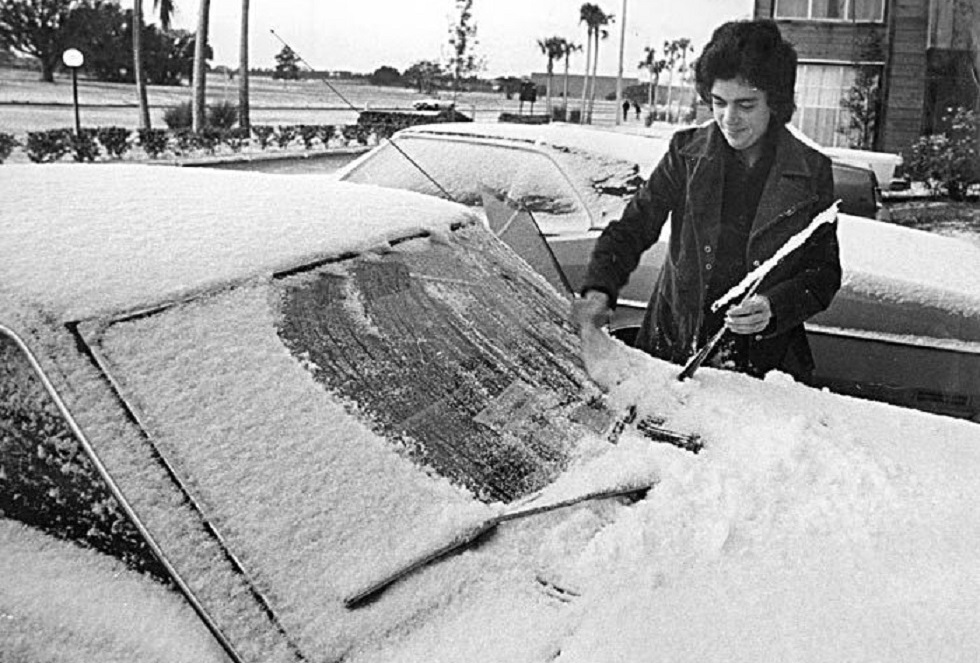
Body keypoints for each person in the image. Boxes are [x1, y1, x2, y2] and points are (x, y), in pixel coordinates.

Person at [573, 19, 841, 383]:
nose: (729, 119)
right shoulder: (685, 154)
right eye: (718, 102)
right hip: (674, 350)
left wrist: (773, 306)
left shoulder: (813, 171)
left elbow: (823, 273)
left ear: (774, 103)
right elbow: (633, 228)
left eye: (746, 105)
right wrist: (598, 289)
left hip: (766, 369)